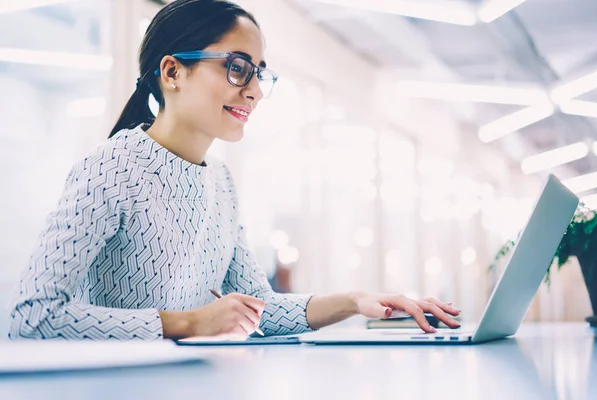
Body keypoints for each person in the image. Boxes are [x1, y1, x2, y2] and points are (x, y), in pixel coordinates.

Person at [9, 0, 461, 341]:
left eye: (258, 74)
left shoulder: (220, 182)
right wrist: (188, 322)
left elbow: (257, 310)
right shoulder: (110, 167)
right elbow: (30, 315)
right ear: (172, 72)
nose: (255, 93)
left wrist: (357, 301)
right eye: (237, 68)